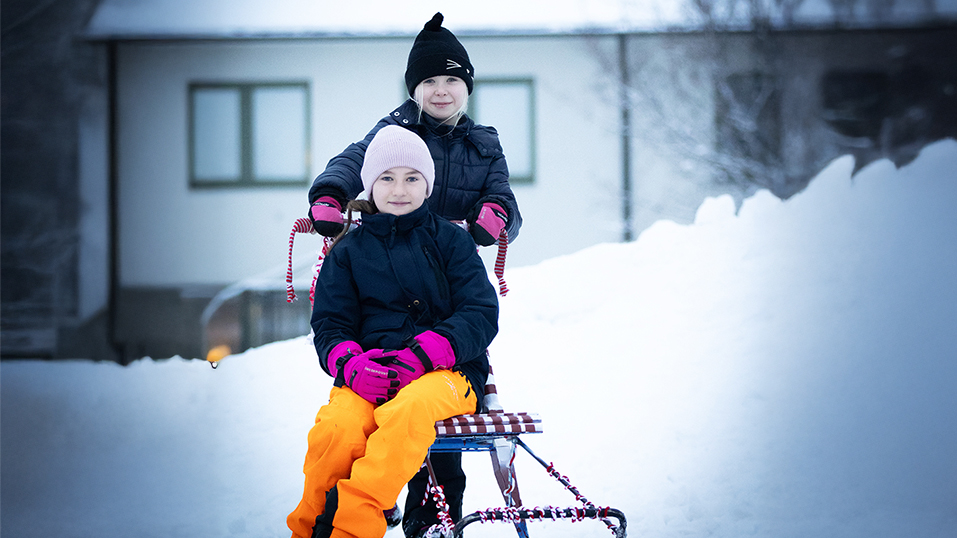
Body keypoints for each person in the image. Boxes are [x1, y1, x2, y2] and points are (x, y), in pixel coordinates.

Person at [305, 12, 522, 537]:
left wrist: (494, 216)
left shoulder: (483, 145)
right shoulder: (392, 134)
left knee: (429, 420)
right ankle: (348, 512)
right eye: (430, 81)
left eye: (452, 80)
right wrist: (330, 195)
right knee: (358, 420)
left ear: (467, 87)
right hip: (384, 278)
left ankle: (431, 518)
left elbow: (504, 199)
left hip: (447, 275)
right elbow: (351, 162)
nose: (442, 91)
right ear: (414, 89)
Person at [287, 125, 499, 538]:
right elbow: (330, 325)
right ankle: (310, 530)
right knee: (338, 427)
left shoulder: (452, 242)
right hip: (369, 375)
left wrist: (422, 355)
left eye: (411, 178)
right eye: (387, 178)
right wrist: (351, 366)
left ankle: (350, 529)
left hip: (448, 375)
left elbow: (480, 312)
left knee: (408, 412)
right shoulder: (347, 252)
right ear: (369, 185)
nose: (399, 189)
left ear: (427, 185)